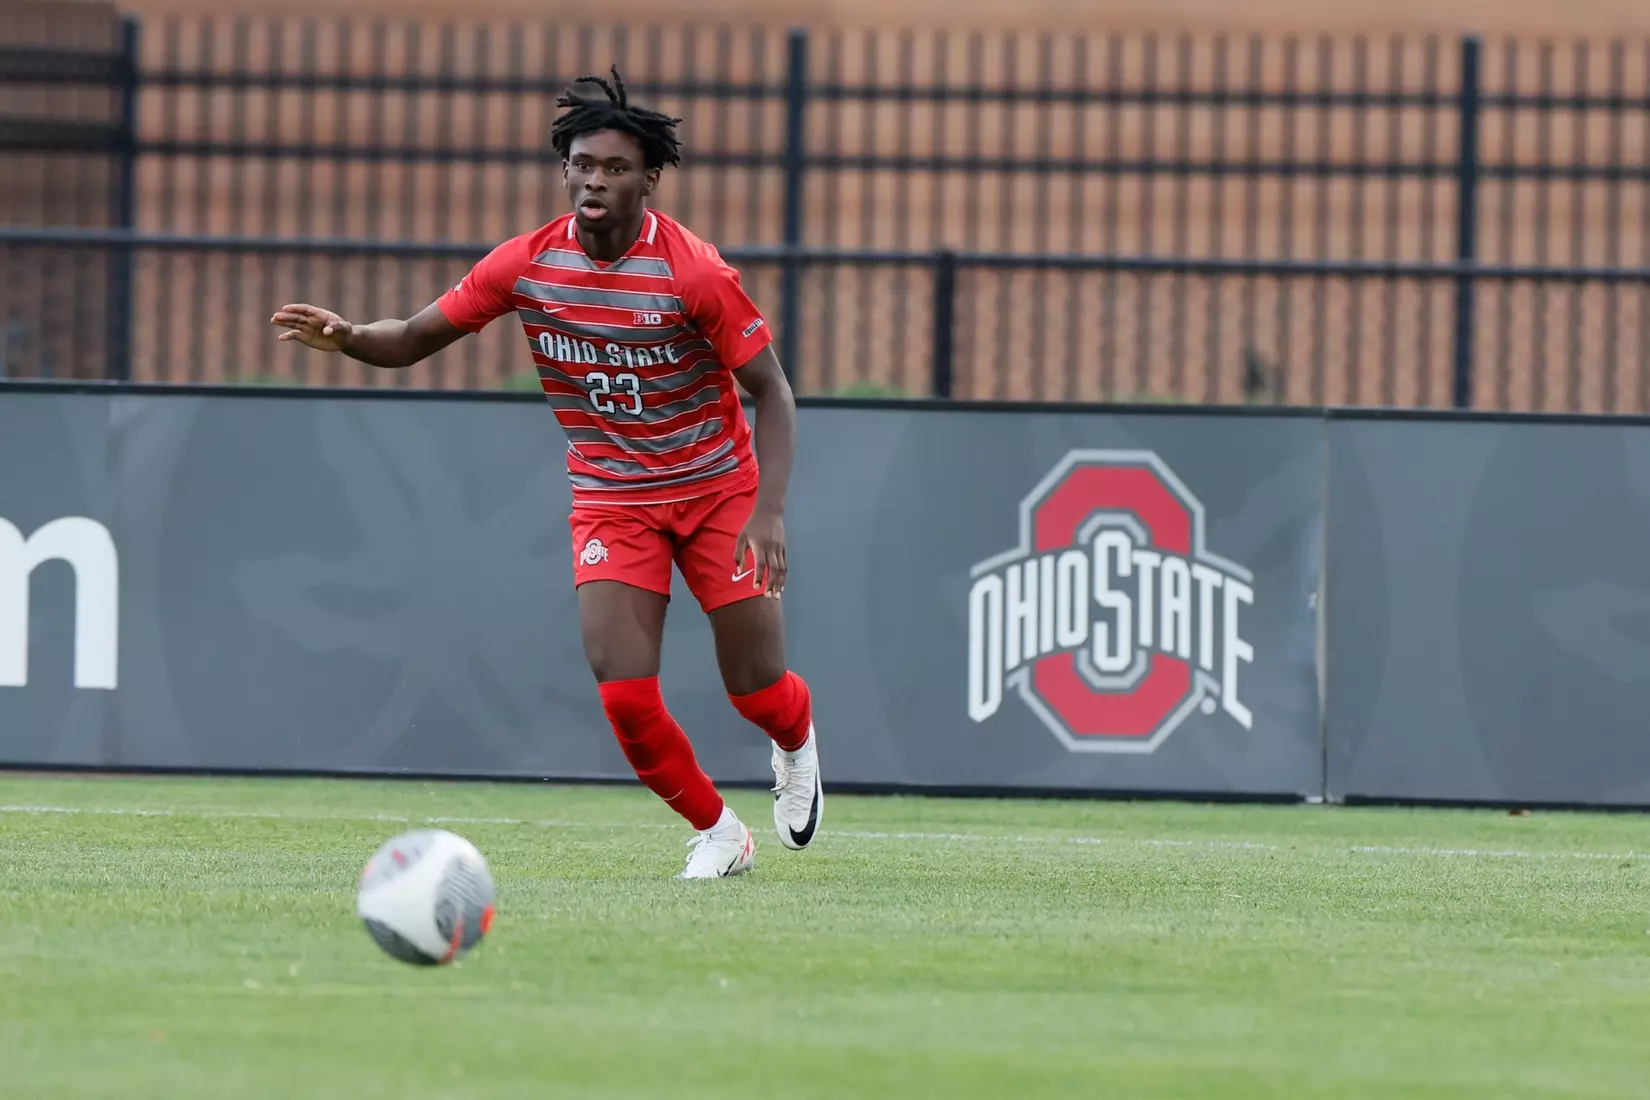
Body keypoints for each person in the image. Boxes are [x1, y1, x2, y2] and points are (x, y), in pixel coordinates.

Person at [270, 67, 821, 880]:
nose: (596, 179)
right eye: (584, 164)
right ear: (566, 169)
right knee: (623, 690)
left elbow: (772, 391)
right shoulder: (527, 263)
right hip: (611, 497)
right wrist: (349, 335)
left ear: (648, 180)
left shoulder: (692, 272)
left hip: (715, 488)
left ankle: (795, 740)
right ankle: (719, 832)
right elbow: (415, 337)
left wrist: (767, 511)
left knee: (754, 684)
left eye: (616, 168)